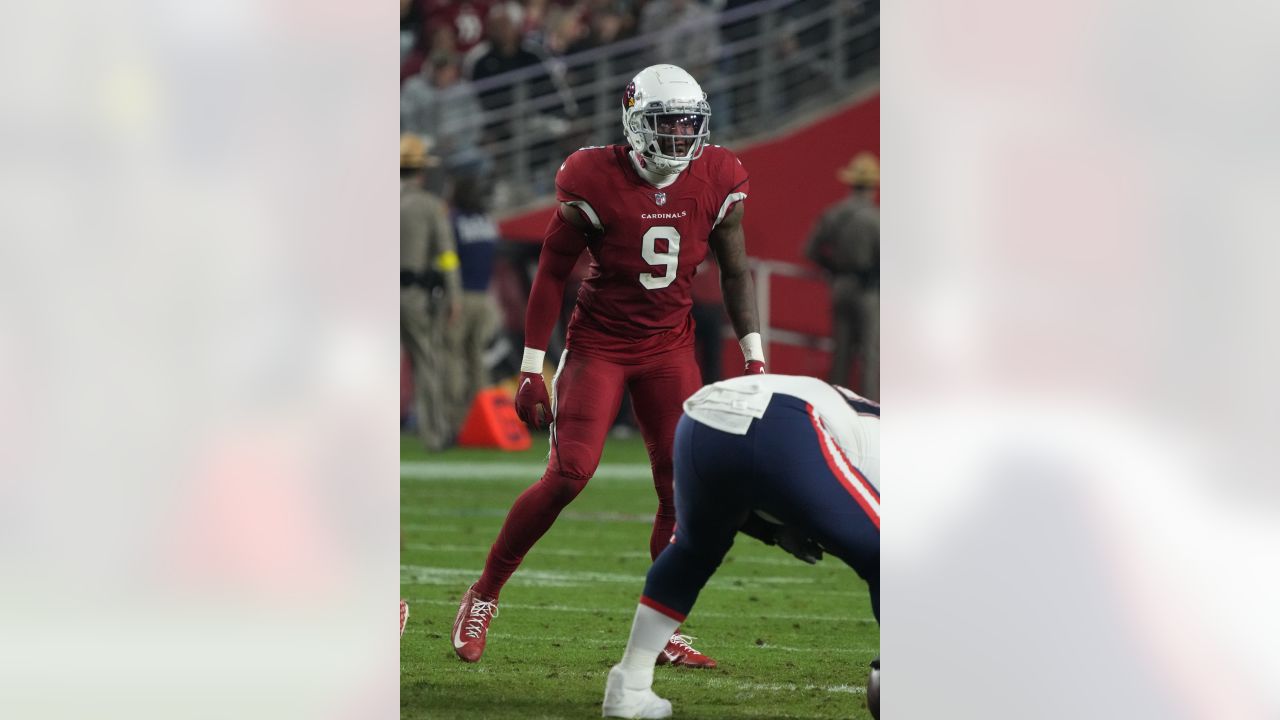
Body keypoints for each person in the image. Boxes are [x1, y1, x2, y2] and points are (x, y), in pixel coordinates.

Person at [451, 64, 766, 668]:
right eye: (665, 123)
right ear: (633, 122)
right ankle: (484, 592)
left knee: (682, 488)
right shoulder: (592, 175)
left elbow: (735, 271)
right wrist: (529, 368)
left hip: (670, 348)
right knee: (570, 473)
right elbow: (548, 271)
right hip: (599, 345)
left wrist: (754, 357)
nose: (679, 136)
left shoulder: (720, 175)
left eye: (687, 124)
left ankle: (660, 628)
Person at [601, 374, 880, 719]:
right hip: (783, 421)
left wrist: (777, 527)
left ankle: (629, 686)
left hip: (702, 416)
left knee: (693, 552)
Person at [400, 132, 462, 450]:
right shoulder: (429, 206)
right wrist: (454, 293)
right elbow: (446, 254)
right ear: (422, 170)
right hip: (414, 296)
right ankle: (435, 434)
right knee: (426, 363)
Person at [805, 153, 880, 399]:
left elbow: (810, 249)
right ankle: (871, 409)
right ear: (872, 186)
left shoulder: (835, 213)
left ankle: (835, 403)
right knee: (870, 354)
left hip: (840, 285)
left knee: (841, 352)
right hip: (868, 290)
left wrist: (833, 268)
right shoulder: (875, 218)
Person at [444, 173, 503, 430]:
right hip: (485, 297)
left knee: (453, 359)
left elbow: (448, 259)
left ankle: (456, 421)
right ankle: (487, 421)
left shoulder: (453, 221)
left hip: (460, 297)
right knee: (478, 359)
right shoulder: (487, 222)